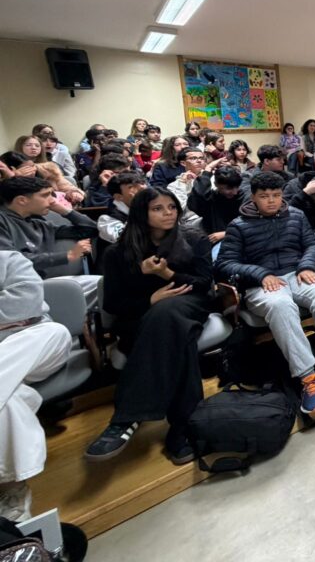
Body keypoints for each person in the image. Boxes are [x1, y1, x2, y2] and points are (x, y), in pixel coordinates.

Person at [84, 188, 215, 463]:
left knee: (168, 313)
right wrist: (149, 299)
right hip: (140, 315)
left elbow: (204, 285)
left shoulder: (193, 238)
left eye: (172, 207)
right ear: (141, 213)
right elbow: (113, 304)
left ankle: (126, 418)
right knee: (178, 337)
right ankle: (184, 430)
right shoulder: (118, 252)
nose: (168, 213)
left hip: (190, 304)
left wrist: (166, 273)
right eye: (158, 208)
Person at [216, 172, 315, 414]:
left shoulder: (296, 215)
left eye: (276, 195)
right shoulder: (238, 225)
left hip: (297, 274)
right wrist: (260, 274)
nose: (271, 201)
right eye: (264, 196)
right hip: (261, 284)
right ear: (253, 197)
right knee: (281, 305)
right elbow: (224, 264)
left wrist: (306, 266)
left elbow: (312, 245)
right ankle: (307, 377)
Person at [0, 251, 73, 522]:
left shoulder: (9, 259)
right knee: (11, 398)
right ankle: (13, 492)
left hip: (35, 339)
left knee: (57, 332)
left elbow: (25, 304)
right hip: (6, 368)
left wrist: (15, 320)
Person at [0, 177, 100, 308]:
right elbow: (10, 263)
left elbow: (91, 230)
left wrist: (64, 210)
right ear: (22, 200)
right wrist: (68, 255)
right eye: (45, 195)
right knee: (103, 285)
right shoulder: (3, 221)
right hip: (14, 292)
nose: (52, 200)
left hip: (41, 286)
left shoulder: (39, 225)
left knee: (104, 284)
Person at [186, 166, 243, 253]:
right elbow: (196, 199)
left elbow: (251, 225)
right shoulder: (211, 199)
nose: (235, 192)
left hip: (240, 240)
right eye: (229, 188)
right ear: (216, 184)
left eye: (237, 187)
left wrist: (226, 233)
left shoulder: (243, 196)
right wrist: (206, 173)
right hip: (216, 243)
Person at [98, 172, 148, 252]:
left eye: (142, 183)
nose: (142, 187)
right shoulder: (107, 220)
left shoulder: (150, 210)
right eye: (131, 186)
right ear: (118, 197)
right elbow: (130, 241)